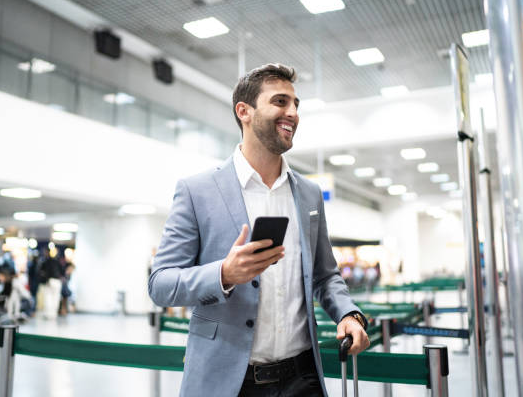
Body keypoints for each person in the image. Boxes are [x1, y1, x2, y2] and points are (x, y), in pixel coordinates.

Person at [148, 63, 370, 397]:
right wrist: (224, 273)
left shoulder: (309, 194)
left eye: (296, 105)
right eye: (281, 102)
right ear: (244, 111)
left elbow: (325, 275)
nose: (292, 113)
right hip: (230, 382)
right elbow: (160, 284)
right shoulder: (198, 191)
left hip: (302, 379)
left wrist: (349, 314)